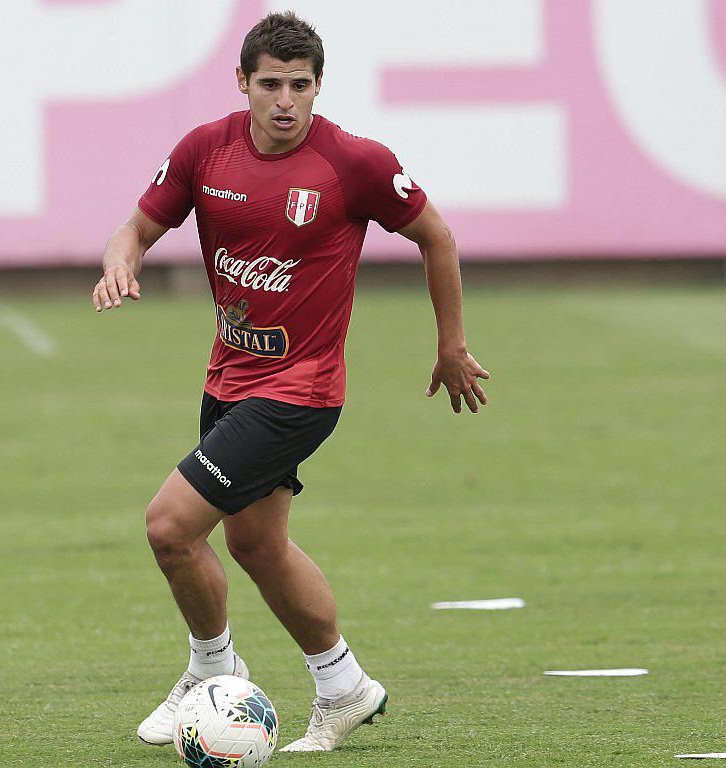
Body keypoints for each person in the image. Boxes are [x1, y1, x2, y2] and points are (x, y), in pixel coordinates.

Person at [90, 11, 489, 753]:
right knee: (256, 544)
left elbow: (436, 235)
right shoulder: (205, 150)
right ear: (242, 82)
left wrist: (451, 346)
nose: (284, 100)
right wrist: (123, 260)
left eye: (299, 85)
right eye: (269, 83)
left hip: (301, 391)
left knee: (170, 528)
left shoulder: (355, 163)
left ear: (317, 87)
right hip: (228, 378)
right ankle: (344, 687)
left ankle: (210, 671)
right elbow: (136, 227)